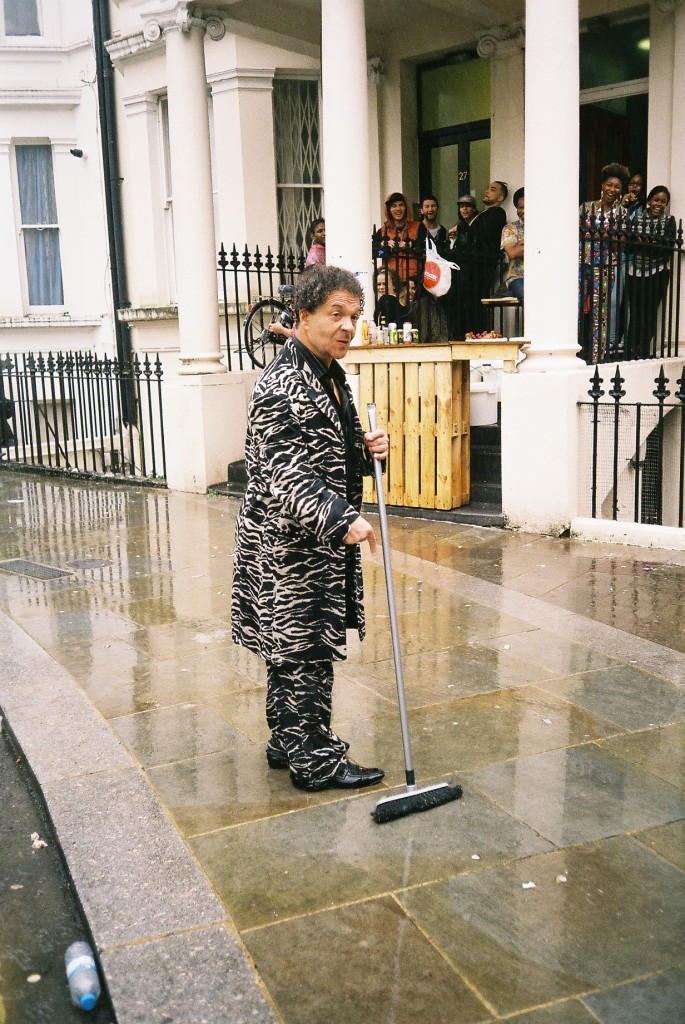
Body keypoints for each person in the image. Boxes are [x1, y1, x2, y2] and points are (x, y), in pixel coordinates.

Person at [232, 265, 389, 793]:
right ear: (302, 317)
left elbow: (326, 456)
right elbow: (281, 473)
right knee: (305, 650)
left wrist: (365, 452)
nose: (348, 326)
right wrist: (342, 518)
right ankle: (315, 761)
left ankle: (287, 741)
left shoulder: (328, 374)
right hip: (289, 548)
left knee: (292, 647)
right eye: (336, 315)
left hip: (312, 542)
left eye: (355, 316)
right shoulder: (283, 384)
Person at [579, 162, 629, 362]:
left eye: (617, 187)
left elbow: (620, 246)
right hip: (582, 264)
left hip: (607, 267)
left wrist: (612, 235)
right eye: (609, 185)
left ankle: (597, 356)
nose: (612, 190)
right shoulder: (586, 207)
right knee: (577, 307)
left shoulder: (622, 214)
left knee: (601, 312)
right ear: (603, 185)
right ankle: (576, 350)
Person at [625, 185, 676, 359]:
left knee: (650, 311)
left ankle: (644, 349)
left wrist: (647, 245)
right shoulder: (637, 219)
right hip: (635, 272)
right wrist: (650, 244)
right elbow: (630, 246)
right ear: (649, 201)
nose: (658, 204)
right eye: (656, 200)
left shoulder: (669, 221)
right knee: (636, 310)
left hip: (658, 272)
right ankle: (631, 348)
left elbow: (667, 249)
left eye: (663, 201)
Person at [462, 181, 508, 333]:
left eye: (493, 189)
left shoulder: (497, 213)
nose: (487, 191)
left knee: (476, 304)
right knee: (470, 304)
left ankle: (478, 334)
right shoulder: (483, 215)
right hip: (473, 264)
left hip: (480, 265)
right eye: (487, 188)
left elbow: (484, 237)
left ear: (500, 198)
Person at [373, 191, 420, 283]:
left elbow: (426, 247)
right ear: (389, 210)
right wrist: (382, 246)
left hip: (413, 281)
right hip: (391, 282)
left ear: (406, 208)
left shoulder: (418, 227)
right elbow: (375, 253)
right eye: (394, 206)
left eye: (401, 205)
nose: (398, 209)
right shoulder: (382, 231)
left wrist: (413, 244)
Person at [501, 187, 524, 306]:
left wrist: (521, 244)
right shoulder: (511, 228)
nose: (522, 211)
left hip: (542, 276)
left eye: (526, 207)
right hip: (518, 278)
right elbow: (512, 253)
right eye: (520, 207)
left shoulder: (543, 227)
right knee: (529, 297)